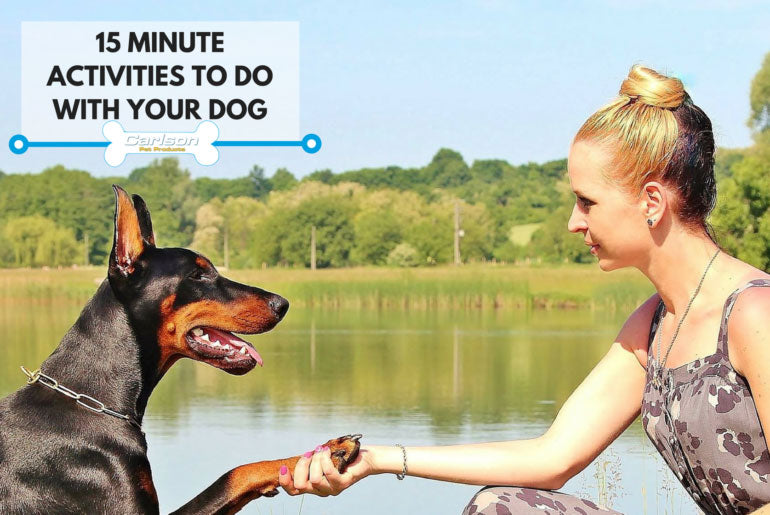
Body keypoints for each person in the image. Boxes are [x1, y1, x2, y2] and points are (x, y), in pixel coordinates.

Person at [277, 65, 770, 514]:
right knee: (501, 508)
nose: (574, 222)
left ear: (651, 202)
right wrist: (377, 459)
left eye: (587, 201)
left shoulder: (754, 313)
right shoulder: (655, 325)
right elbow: (551, 455)